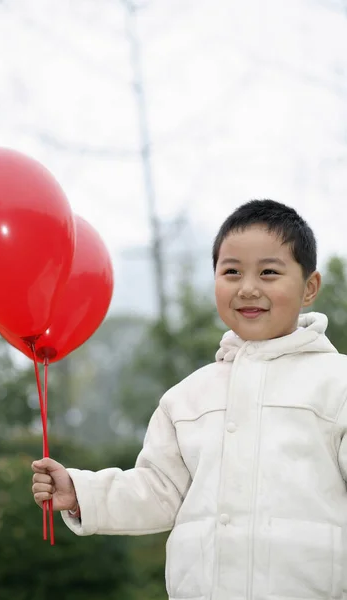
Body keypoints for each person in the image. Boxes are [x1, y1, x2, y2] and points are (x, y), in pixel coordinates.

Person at [32, 199, 347, 600]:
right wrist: (83, 492)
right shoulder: (187, 398)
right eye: (231, 271)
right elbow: (159, 489)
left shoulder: (337, 384)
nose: (248, 287)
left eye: (269, 272)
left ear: (309, 288)